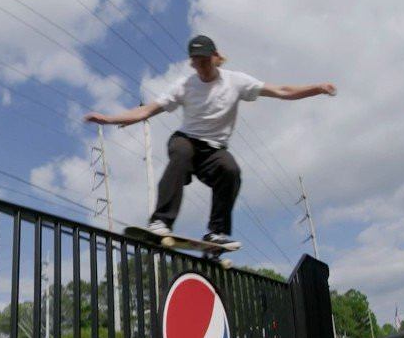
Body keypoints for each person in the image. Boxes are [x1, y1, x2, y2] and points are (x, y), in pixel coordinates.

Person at [83, 35, 336, 247]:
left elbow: (280, 91)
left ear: (216, 57)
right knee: (180, 154)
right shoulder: (184, 86)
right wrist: (108, 119)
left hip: (214, 152)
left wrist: (315, 88)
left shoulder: (236, 81)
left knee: (230, 170)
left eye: (206, 61)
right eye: (197, 63)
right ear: (192, 64)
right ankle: (161, 222)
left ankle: (217, 232)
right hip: (186, 141)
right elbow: (148, 110)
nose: (202, 68)